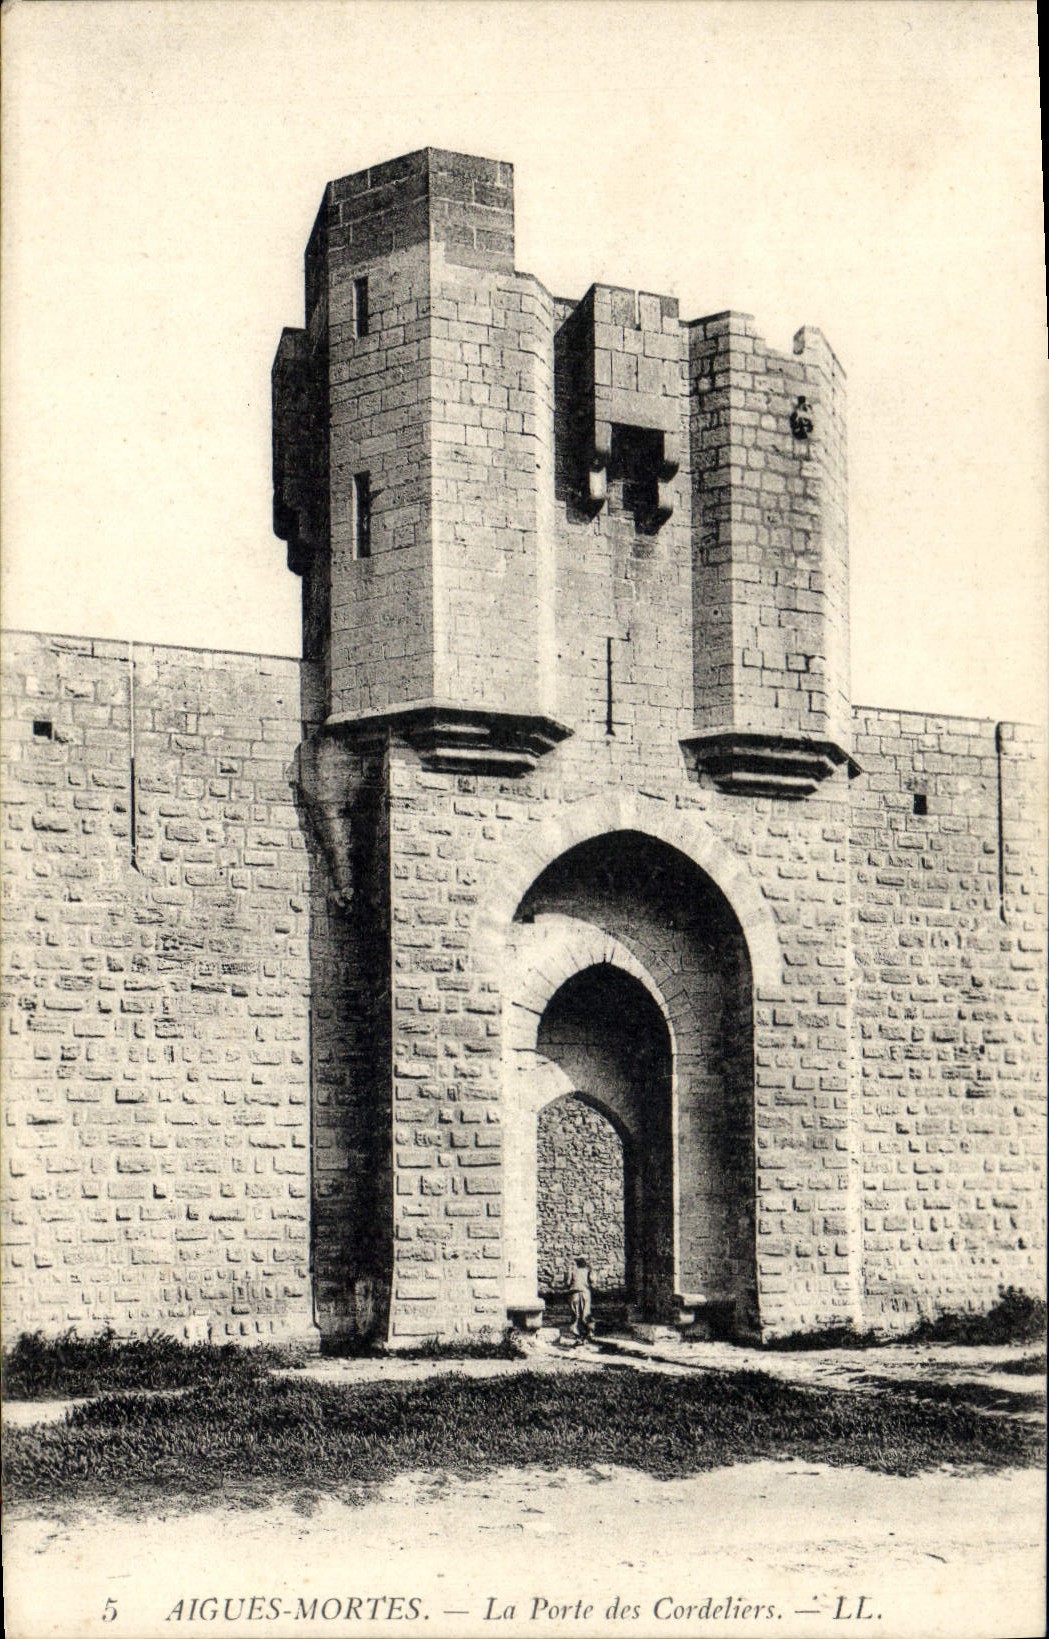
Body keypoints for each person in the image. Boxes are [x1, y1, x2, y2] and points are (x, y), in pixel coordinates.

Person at [567, 1256, 594, 1341]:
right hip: (585, 1293)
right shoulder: (588, 1271)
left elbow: (568, 1283)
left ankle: (578, 1336)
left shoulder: (573, 1271)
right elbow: (593, 1282)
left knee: (576, 1315)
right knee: (586, 1314)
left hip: (574, 1293)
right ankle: (588, 1333)